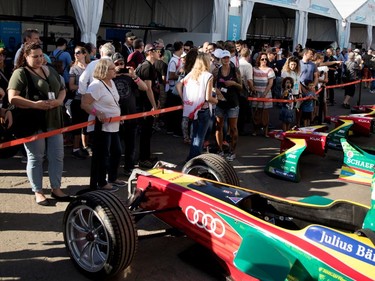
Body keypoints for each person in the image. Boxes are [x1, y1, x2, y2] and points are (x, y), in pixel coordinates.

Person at [7, 42, 68, 206]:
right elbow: (12, 98)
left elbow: (62, 88)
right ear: (25, 57)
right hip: (32, 121)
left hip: (54, 120)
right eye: (35, 56)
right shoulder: (20, 73)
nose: (40, 59)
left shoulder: (51, 70)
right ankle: (38, 191)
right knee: (36, 157)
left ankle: (56, 188)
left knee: (57, 155)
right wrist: (35, 104)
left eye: (41, 55)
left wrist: (59, 101)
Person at [81, 59, 125, 190]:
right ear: (105, 71)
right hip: (101, 127)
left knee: (117, 152)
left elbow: (114, 102)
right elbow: (84, 104)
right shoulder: (96, 85)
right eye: (112, 68)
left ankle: (112, 177)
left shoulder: (111, 82)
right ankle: (102, 181)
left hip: (113, 125)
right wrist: (97, 112)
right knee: (103, 154)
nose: (115, 69)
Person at [176, 53, 218, 161]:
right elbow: (208, 97)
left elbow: (178, 85)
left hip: (192, 109)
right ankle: (195, 161)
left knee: (195, 136)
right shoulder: (208, 75)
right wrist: (217, 101)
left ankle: (190, 158)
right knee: (199, 138)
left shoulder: (192, 73)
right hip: (203, 110)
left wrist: (184, 99)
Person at [111, 52, 147, 176]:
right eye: (117, 64)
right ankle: (112, 171)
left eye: (122, 63)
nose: (120, 66)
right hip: (115, 117)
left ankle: (129, 167)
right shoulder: (110, 77)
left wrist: (134, 76)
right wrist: (113, 73)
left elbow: (144, 88)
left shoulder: (130, 77)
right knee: (114, 147)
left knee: (131, 145)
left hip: (131, 115)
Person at [213, 50, 242, 161]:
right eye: (224, 58)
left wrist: (233, 83)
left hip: (233, 103)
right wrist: (216, 91)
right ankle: (220, 150)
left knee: (233, 128)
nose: (226, 60)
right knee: (218, 126)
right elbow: (211, 85)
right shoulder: (216, 71)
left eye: (227, 58)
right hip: (220, 103)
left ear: (230, 58)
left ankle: (232, 151)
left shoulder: (235, 70)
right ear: (221, 59)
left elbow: (241, 87)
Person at [136, 43, 160, 168]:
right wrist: (154, 106)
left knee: (148, 132)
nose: (159, 53)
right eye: (157, 51)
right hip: (145, 105)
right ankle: (143, 158)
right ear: (150, 52)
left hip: (148, 104)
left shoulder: (150, 66)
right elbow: (148, 89)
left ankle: (146, 155)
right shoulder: (146, 67)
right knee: (145, 132)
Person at [69, 45, 91, 159]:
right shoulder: (73, 68)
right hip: (78, 100)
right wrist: (83, 87)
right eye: (75, 53)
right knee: (77, 125)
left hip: (89, 100)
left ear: (84, 54)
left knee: (87, 125)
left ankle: (84, 146)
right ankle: (75, 148)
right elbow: (71, 86)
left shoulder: (90, 67)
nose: (76, 55)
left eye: (78, 52)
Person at [252, 52, 275, 137]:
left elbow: (270, 83)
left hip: (266, 93)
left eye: (266, 59)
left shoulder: (270, 70)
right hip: (256, 93)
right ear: (259, 60)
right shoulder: (254, 69)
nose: (264, 60)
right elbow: (251, 81)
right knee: (256, 112)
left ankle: (265, 132)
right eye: (262, 59)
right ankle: (255, 130)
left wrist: (265, 93)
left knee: (265, 114)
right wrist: (253, 89)